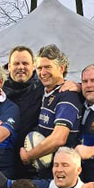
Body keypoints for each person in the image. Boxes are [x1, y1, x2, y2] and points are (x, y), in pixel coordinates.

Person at [19, 45, 84, 174]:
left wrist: (28, 156)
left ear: (61, 68)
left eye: (48, 67)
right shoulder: (45, 91)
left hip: (60, 172)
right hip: (45, 170)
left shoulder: (67, 96)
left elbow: (59, 139)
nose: (43, 73)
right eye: (39, 68)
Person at [3, 45, 45, 162]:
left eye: (25, 63)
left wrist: (77, 86)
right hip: (3, 159)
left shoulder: (44, 88)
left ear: (33, 66)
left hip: (33, 158)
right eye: (16, 64)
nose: (21, 67)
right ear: (9, 66)